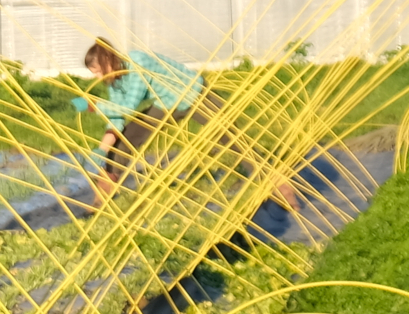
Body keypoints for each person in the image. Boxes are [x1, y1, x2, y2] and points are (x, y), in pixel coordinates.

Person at [72, 39, 300, 209]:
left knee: (233, 140)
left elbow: (128, 107)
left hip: (193, 93)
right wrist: (103, 148)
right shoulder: (116, 82)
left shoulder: (137, 62)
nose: (98, 78)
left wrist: (93, 105)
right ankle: (102, 196)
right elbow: (117, 118)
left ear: (108, 60)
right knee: (125, 141)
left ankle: (281, 188)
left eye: (99, 71)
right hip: (167, 103)